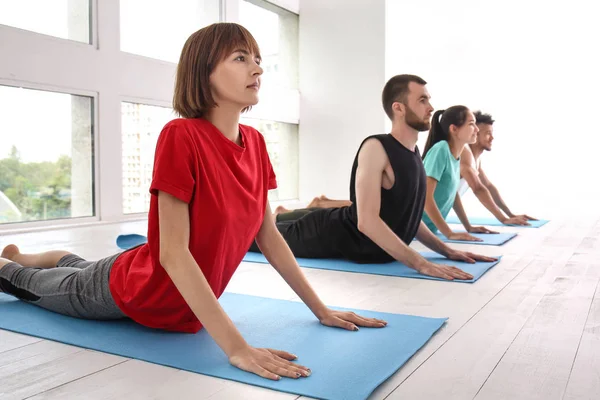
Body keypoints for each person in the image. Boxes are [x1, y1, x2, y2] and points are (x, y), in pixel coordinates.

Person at [0, 23, 386, 382]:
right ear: (204, 74)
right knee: (28, 283)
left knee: (80, 267)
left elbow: (268, 236)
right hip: (131, 292)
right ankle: (14, 262)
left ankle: (30, 253)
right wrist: (237, 348)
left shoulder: (255, 143)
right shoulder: (181, 135)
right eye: (240, 57)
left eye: (257, 59)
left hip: (141, 271)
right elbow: (173, 253)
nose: (257, 68)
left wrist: (322, 309)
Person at [250, 74, 496, 280]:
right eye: (422, 100)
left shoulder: (414, 153)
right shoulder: (376, 147)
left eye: (429, 100)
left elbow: (408, 217)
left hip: (364, 246)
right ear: (398, 108)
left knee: (262, 225)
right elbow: (366, 222)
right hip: (322, 232)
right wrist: (422, 264)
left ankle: (278, 214)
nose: (431, 107)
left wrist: (446, 250)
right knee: (250, 235)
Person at [421, 106, 497, 241]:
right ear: (454, 129)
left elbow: (452, 194)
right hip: (413, 229)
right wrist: (449, 233)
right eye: (471, 124)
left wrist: (468, 227)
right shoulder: (441, 149)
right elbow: (426, 197)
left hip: (429, 230)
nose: (477, 129)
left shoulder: (455, 155)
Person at [458, 111, 536, 225]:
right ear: (475, 133)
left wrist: (510, 214)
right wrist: (503, 219)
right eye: (488, 133)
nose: (492, 138)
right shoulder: (465, 153)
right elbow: (478, 189)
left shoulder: (475, 160)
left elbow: (488, 187)